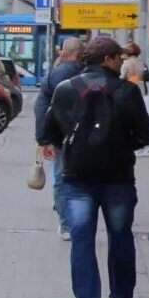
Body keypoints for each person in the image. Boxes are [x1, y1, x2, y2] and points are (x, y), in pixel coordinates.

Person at [40, 35, 149, 298]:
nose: (121, 62)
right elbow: (146, 135)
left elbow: (51, 132)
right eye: (117, 57)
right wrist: (123, 143)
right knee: (120, 238)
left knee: (81, 240)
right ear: (107, 60)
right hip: (118, 178)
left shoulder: (66, 90)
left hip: (77, 178)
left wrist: (72, 145)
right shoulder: (126, 92)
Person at [34, 35, 89, 235]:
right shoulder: (89, 75)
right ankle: (81, 221)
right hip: (85, 137)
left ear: (64, 53)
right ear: (81, 54)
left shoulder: (53, 76)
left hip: (59, 136)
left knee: (60, 177)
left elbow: (40, 108)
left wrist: (42, 139)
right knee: (83, 178)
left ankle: (66, 225)